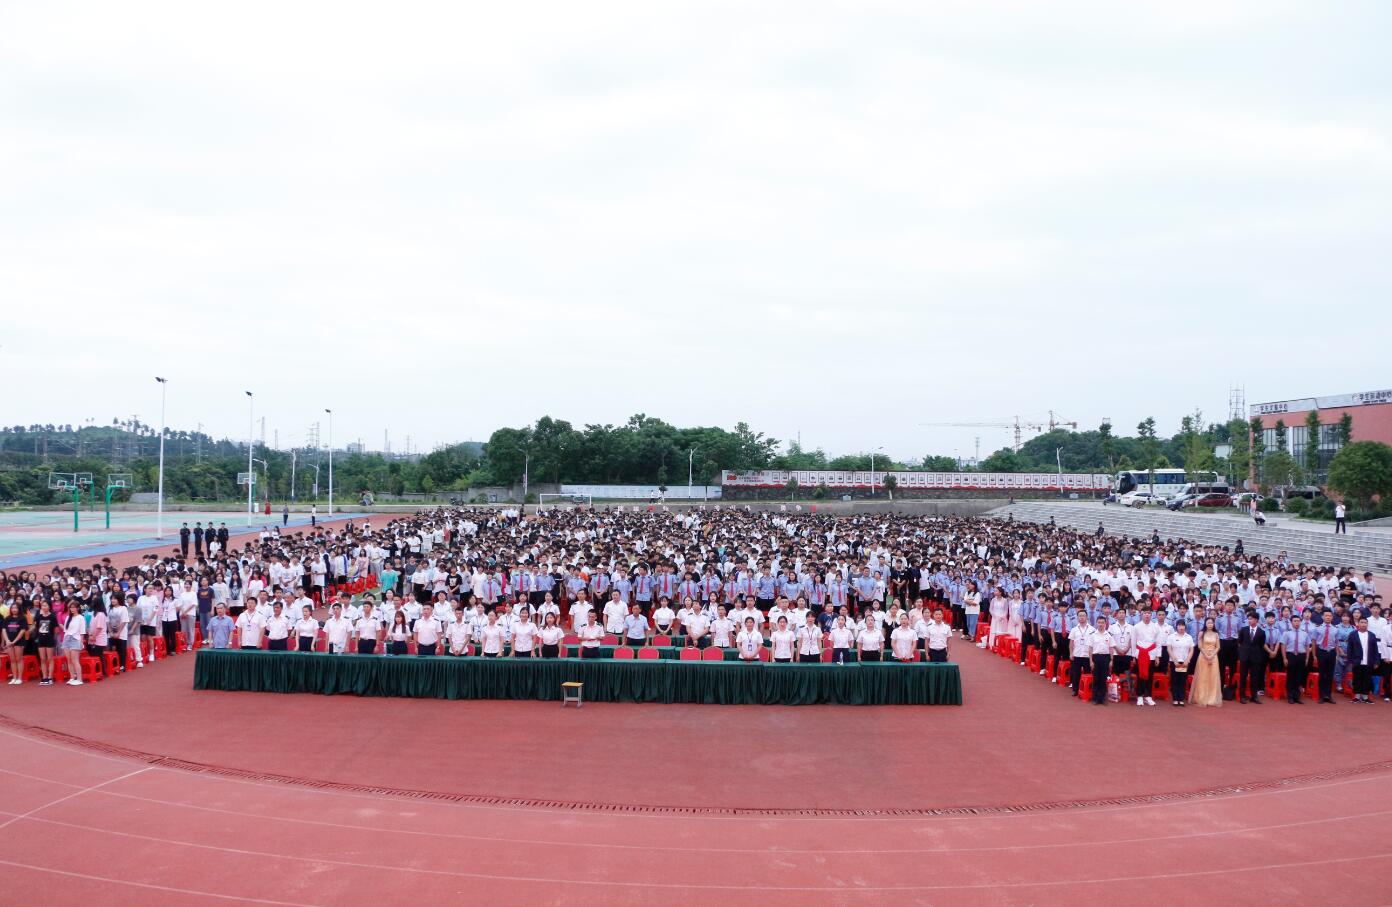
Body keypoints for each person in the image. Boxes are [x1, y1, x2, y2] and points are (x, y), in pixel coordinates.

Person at [1347, 616, 1381, 703]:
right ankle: (1357, 696)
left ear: (1367, 624)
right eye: (1361, 622)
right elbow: (1350, 648)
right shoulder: (1353, 634)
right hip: (1357, 661)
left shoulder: (1372, 635)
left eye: (1365, 622)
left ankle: (1365, 697)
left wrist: (1376, 661)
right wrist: (1350, 660)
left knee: (1367, 679)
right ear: (1358, 624)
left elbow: (1375, 650)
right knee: (1357, 678)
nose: (1363, 624)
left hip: (1369, 661)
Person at [1191, 616, 1222, 707]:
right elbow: (1200, 646)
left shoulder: (1216, 634)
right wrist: (1206, 655)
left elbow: (1218, 647)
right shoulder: (1201, 633)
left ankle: (1212, 698)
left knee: (1213, 677)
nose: (1210, 625)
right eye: (1208, 623)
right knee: (1203, 676)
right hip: (1203, 656)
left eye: (1211, 623)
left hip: (1214, 657)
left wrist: (1212, 655)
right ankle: (1201, 697)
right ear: (1205, 623)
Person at [1236, 612, 1266, 704]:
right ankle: (1242, 696)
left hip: (1255, 657)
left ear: (1256, 620)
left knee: (1254, 677)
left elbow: (1261, 645)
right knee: (1243, 676)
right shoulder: (1243, 630)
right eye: (1249, 619)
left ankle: (1254, 696)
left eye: (1251, 619)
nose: (1250, 620)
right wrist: (1242, 652)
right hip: (1244, 656)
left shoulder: (1261, 632)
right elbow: (1240, 642)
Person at [1312, 610, 1340, 704]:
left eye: (1330, 616)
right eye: (1326, 615)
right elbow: (1314, 642)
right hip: (1321, 651)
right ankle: (1321, 695)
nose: (1328, 617)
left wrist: (1337, 655)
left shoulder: (1335, 629)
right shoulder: (1317, 628)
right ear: (1322, 617)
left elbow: (1336, 642)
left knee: (1330, 674)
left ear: (1332, 617)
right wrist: (1314, 655)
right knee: (1322, 674)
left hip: (1331, 652)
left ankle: (1329, 695)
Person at [1282, 614, 1311, 704]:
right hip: (1290, 655)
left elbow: (1307, 647)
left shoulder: (1305, 634)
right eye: (1294, 621)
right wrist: (1284, 658)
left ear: (1301, 622)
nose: (1296, 623)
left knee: (1299, 676)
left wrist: (1306, 658)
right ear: (1291, 622)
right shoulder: (1287, 633)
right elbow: (1283, 646)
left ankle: (1297, 696)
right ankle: (1290, 696)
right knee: (1291, 676)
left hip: (1301, 656)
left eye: (1298, 621)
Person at [1167, 619, 1195, 707]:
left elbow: (1191, 650)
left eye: (1183, 625)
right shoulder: (1172, 636)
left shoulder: (1189, 637)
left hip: (1184, 662)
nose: (1181, 627)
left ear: (1185, 627)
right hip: (1174, 662)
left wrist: (1187, 660)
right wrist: (1174, 660)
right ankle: (1175, 699)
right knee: (1175, 680)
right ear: (1176, 627)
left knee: (1183, 680)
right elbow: (1169, 649)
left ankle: (1181, 699)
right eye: (1179, 625)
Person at [61, 601, 86, 685]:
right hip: (67, 639)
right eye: (71, 607)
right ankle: (72, 677)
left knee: (75, 660)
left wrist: (81, 642)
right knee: (69, 660)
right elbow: (65, 630)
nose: (72, 609)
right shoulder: (68, 617)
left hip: (76, 639)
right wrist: (64, 640)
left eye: (74, 607)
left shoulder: (81, 618)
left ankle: (79, 679)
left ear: (78, 608)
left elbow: (82, 632)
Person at [1088, 615, 1112, 705]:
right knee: (1096, 678)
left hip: (1105, 658)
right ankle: (1095, 698)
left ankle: (1102, 698)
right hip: (1095, 657)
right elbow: (1090, 649)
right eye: (1099, 622)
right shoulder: (1092, 635)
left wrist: (1111, 660)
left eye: (1102, 622)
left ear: (1105, 624)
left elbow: (1111, 649)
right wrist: (1091, 661)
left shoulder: (1109, 635)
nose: (1101, 624)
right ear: (1096, 623)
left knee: (1103, 678)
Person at [4, 605, 29, 684]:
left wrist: (15, 641)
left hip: (19, 641)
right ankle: (14, 677)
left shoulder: (22, 618)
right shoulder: (7, 619)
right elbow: (4, 629)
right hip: (9, 642)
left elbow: (23, 630)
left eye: (16, 608)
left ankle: (19, 678)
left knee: (19, 659)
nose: (14, 610)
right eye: (12, 608)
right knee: (12, 660)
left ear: (19, 609)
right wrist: (7, 640)